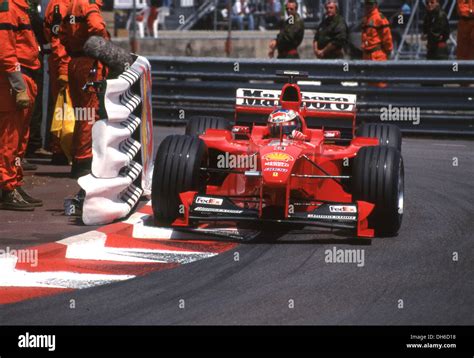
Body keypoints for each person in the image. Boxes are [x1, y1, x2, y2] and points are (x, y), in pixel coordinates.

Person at [0, 0, 43, 210]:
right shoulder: (7, 7)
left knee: (20, 140)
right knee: (11, 138)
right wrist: (19, 87)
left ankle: (14, 183)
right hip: (16, 79)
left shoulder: (21, 8)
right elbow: (6, 51)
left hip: (27, 76)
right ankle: (6, 188)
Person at [59, 0, 109, 178]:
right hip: (88, 65)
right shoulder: (89, 4)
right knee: (89, 113)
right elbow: (97, 27)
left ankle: (79, 159)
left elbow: (62, 35)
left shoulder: (72, 4)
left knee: (81, 114)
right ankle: (85, 161)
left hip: (74, 62)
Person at [44, 0, 71, 165]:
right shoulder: (60, 5)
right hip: (64, 64)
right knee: (62, 108)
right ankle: (60, 150)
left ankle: (62, 149)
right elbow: (58, 40)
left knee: (65, 109)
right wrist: (63, 68)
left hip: (66, 63)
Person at [361, 0, 393, 87]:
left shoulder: (379, 18)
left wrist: (388, 50)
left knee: (379, 83)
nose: (368, 6)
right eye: (366, 4)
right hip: (367, 56)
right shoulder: (366, 18)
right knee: (369, 83)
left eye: (370, 4)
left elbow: (387, 37)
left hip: (377, 56)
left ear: (375, 4)